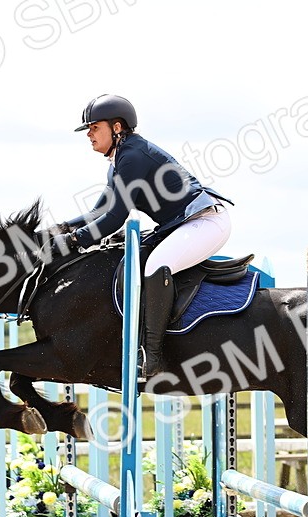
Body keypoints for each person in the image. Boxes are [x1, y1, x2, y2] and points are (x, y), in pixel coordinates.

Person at [52, 94, 233, 379]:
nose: (88, 134)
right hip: (179, 224)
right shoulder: (120, 159)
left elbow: (114, 218)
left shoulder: (133, 157)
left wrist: (74, 241)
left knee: (154, 265)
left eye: (94, 127)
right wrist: (58, 230)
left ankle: (153, 356)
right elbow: (99, 210)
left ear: (117, 127)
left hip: (205, 223)